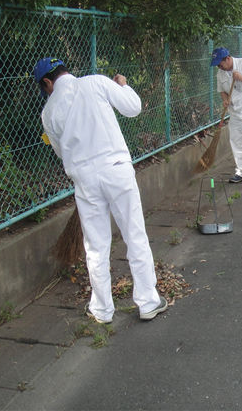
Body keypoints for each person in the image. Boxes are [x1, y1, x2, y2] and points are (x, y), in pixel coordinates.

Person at [33, 57, 168, 324]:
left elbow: (61, 152)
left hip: (84, 179)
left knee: (95, 245)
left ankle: (103, 310)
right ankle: (148, 302)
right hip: (116, 168)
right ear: (64, 71)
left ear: (47, 82)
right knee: (134, 234)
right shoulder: (95, 82)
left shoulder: (48, 113)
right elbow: (134, 108)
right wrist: (124, 86)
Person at [210, 47, 242, 188]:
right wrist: (225, 100)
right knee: (236, 140)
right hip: (235, 111)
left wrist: (241, 78)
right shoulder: (220, 73)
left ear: (227, 58)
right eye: (217, 65)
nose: (219, 67)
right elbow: (222, 91)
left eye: (220, 64)